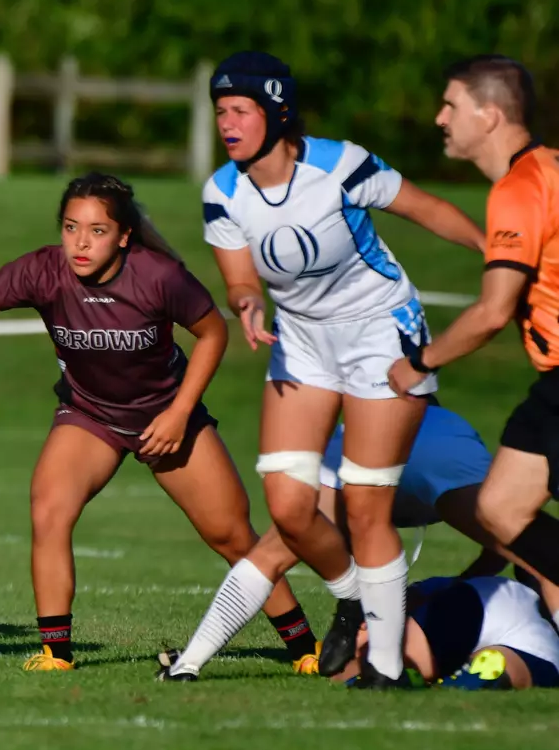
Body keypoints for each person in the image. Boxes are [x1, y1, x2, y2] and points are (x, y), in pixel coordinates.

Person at [0, 172, 320, 671]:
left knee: (231, 536)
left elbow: (212, 335)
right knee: (49, 510)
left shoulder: (158, 275)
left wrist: (180, 414)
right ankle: (57, 654)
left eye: (97, 231)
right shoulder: (43, 270)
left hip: (166, 417)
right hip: (89, 414)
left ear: (124, 235)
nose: (80, 241)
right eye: (71, 227)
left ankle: (305, 648)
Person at [201, 51, 484, 688]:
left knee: (364, 504)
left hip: (381, 333)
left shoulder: (341, 165)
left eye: (241, 110)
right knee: (288, 503)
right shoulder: (222, 192)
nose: (228, 123)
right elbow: (241, 277)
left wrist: (499, 253)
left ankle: (384, 666)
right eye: (220, 112)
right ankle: (359, 595)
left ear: (277, 114)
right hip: (302, 342)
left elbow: (425, 208)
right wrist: (245, 302)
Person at [156, 402, 549, 680]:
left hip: (357, 438)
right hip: (440, 437)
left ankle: (189, 663)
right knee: (529, 549)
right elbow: (500, 545)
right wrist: (458, 586)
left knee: (272, 553)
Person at [388, 56, 559, 596]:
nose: (440, 118)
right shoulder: (551, 168)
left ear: (488, 116)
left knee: (503, 507)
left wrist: (419, 363)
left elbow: (492, 311)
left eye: (451, 105)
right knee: (501, 505)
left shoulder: (519, 187)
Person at [325, 575, 559, 690]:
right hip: (541, 645)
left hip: (486, 595)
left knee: (344, 668)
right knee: (504, 665)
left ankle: (390, 670)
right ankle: (483, 673)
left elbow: (408, 595)